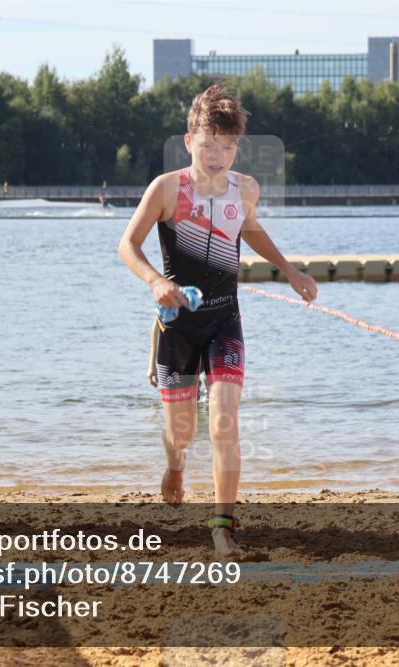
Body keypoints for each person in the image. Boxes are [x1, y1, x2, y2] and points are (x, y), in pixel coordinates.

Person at [118, 83, 318, 557]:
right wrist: (154, 282)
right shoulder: (166, 189)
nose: (217, 155)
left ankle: (223, 527)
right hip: (177, 328)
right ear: (189, 141)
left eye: (227, 147)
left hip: (225, 322)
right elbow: (127, 245)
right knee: (181, 432)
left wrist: (290, 271)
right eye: (208, 144)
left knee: (225, 422)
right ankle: (174, 467)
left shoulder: (245, 189)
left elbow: (249, 229)